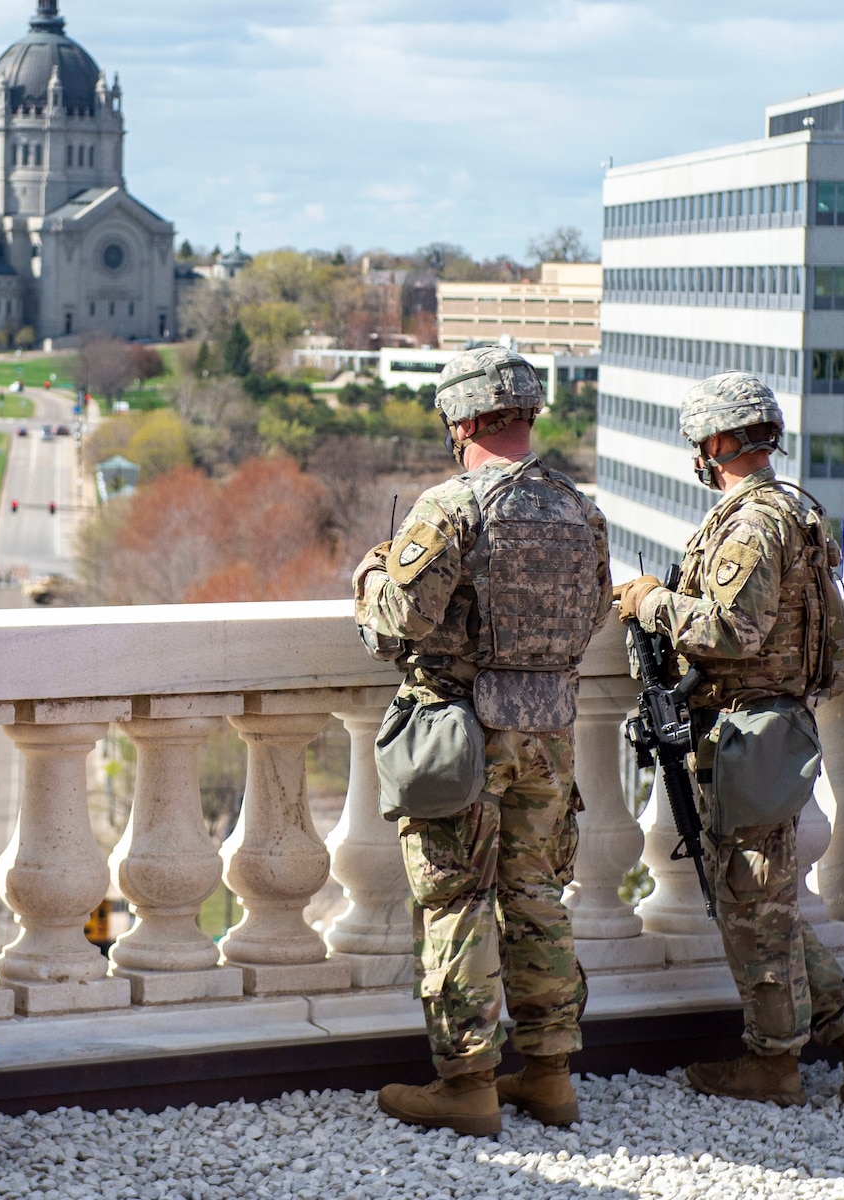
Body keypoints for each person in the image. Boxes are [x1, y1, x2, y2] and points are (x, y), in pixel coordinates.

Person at [615, 372, 844, 1109]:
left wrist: (651, 600)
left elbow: (731, 630)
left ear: (717, 442)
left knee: (750, 898)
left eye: (700, 444)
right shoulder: (797, 510)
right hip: (761, 728)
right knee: (758, 898)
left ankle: (774, 1064)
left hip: (750, 727)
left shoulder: (750, 523)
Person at [353, 348, 610, 1135]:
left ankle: (467, 1084)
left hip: (459, 738)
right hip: (549, 737)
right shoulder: (580, 509)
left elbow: (392, 626)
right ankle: (550, 1076)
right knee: (538, 902)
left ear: (460, 422)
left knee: (456, 902)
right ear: (529, 415)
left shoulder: (449, 507)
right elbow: (595, 613)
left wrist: (371, 572)